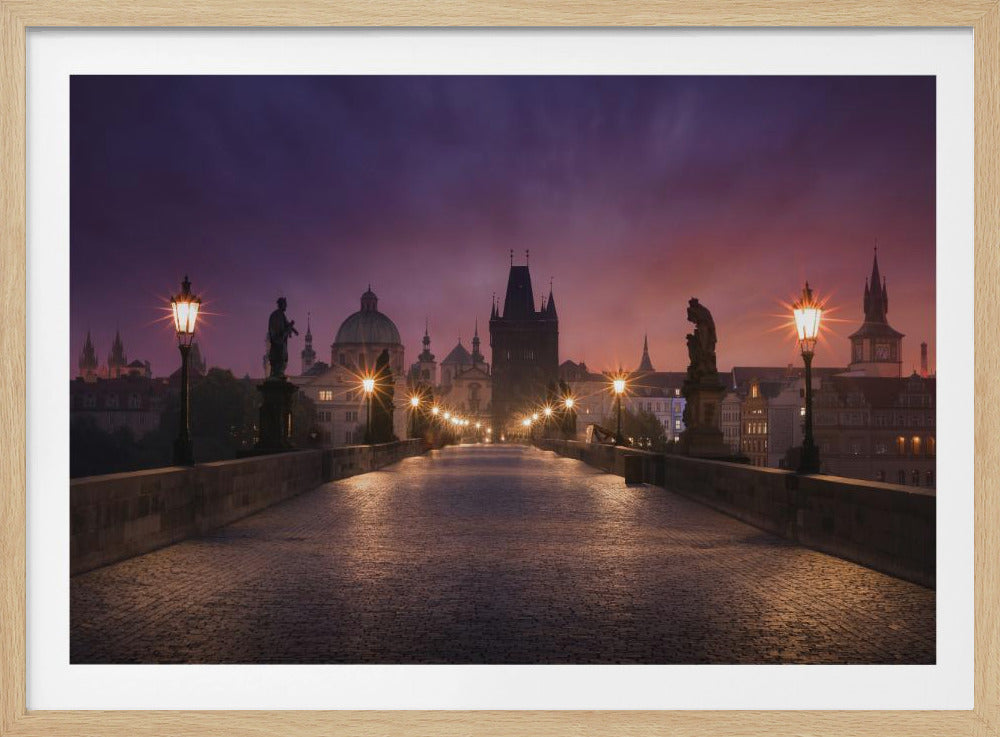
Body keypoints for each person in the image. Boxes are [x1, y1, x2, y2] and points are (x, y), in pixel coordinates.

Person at [267, 297, 298, 378]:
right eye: (285, 305)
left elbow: (287, 324)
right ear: (281, 304)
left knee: (283, 357)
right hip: (278, 341)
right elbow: (276, 329)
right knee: (279, 357)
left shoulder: (282, 315)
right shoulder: (275, 315)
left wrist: (292, 329)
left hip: (281, 341)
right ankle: (277, 373)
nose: (286, 306)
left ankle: (279, 373)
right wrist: (287, 330)